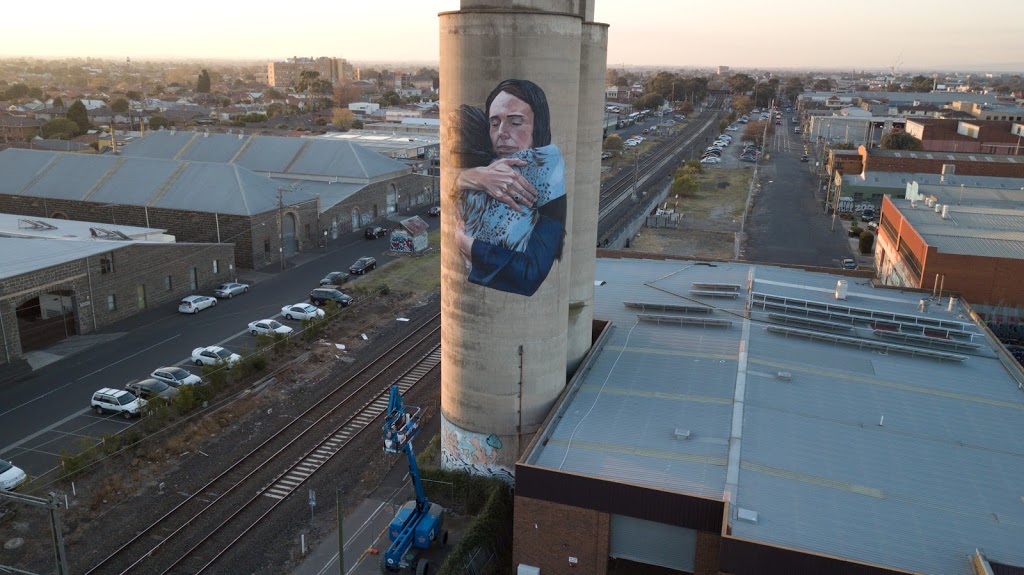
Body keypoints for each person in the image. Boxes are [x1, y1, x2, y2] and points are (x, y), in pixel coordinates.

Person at [452, 79, 566, 297]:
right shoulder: (478, 165)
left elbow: (528, 275)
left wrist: (465, 243)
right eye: (494, 124)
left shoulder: (550, 176)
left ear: (538, 127)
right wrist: (469, 177)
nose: (502, 132)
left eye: (515, 122)